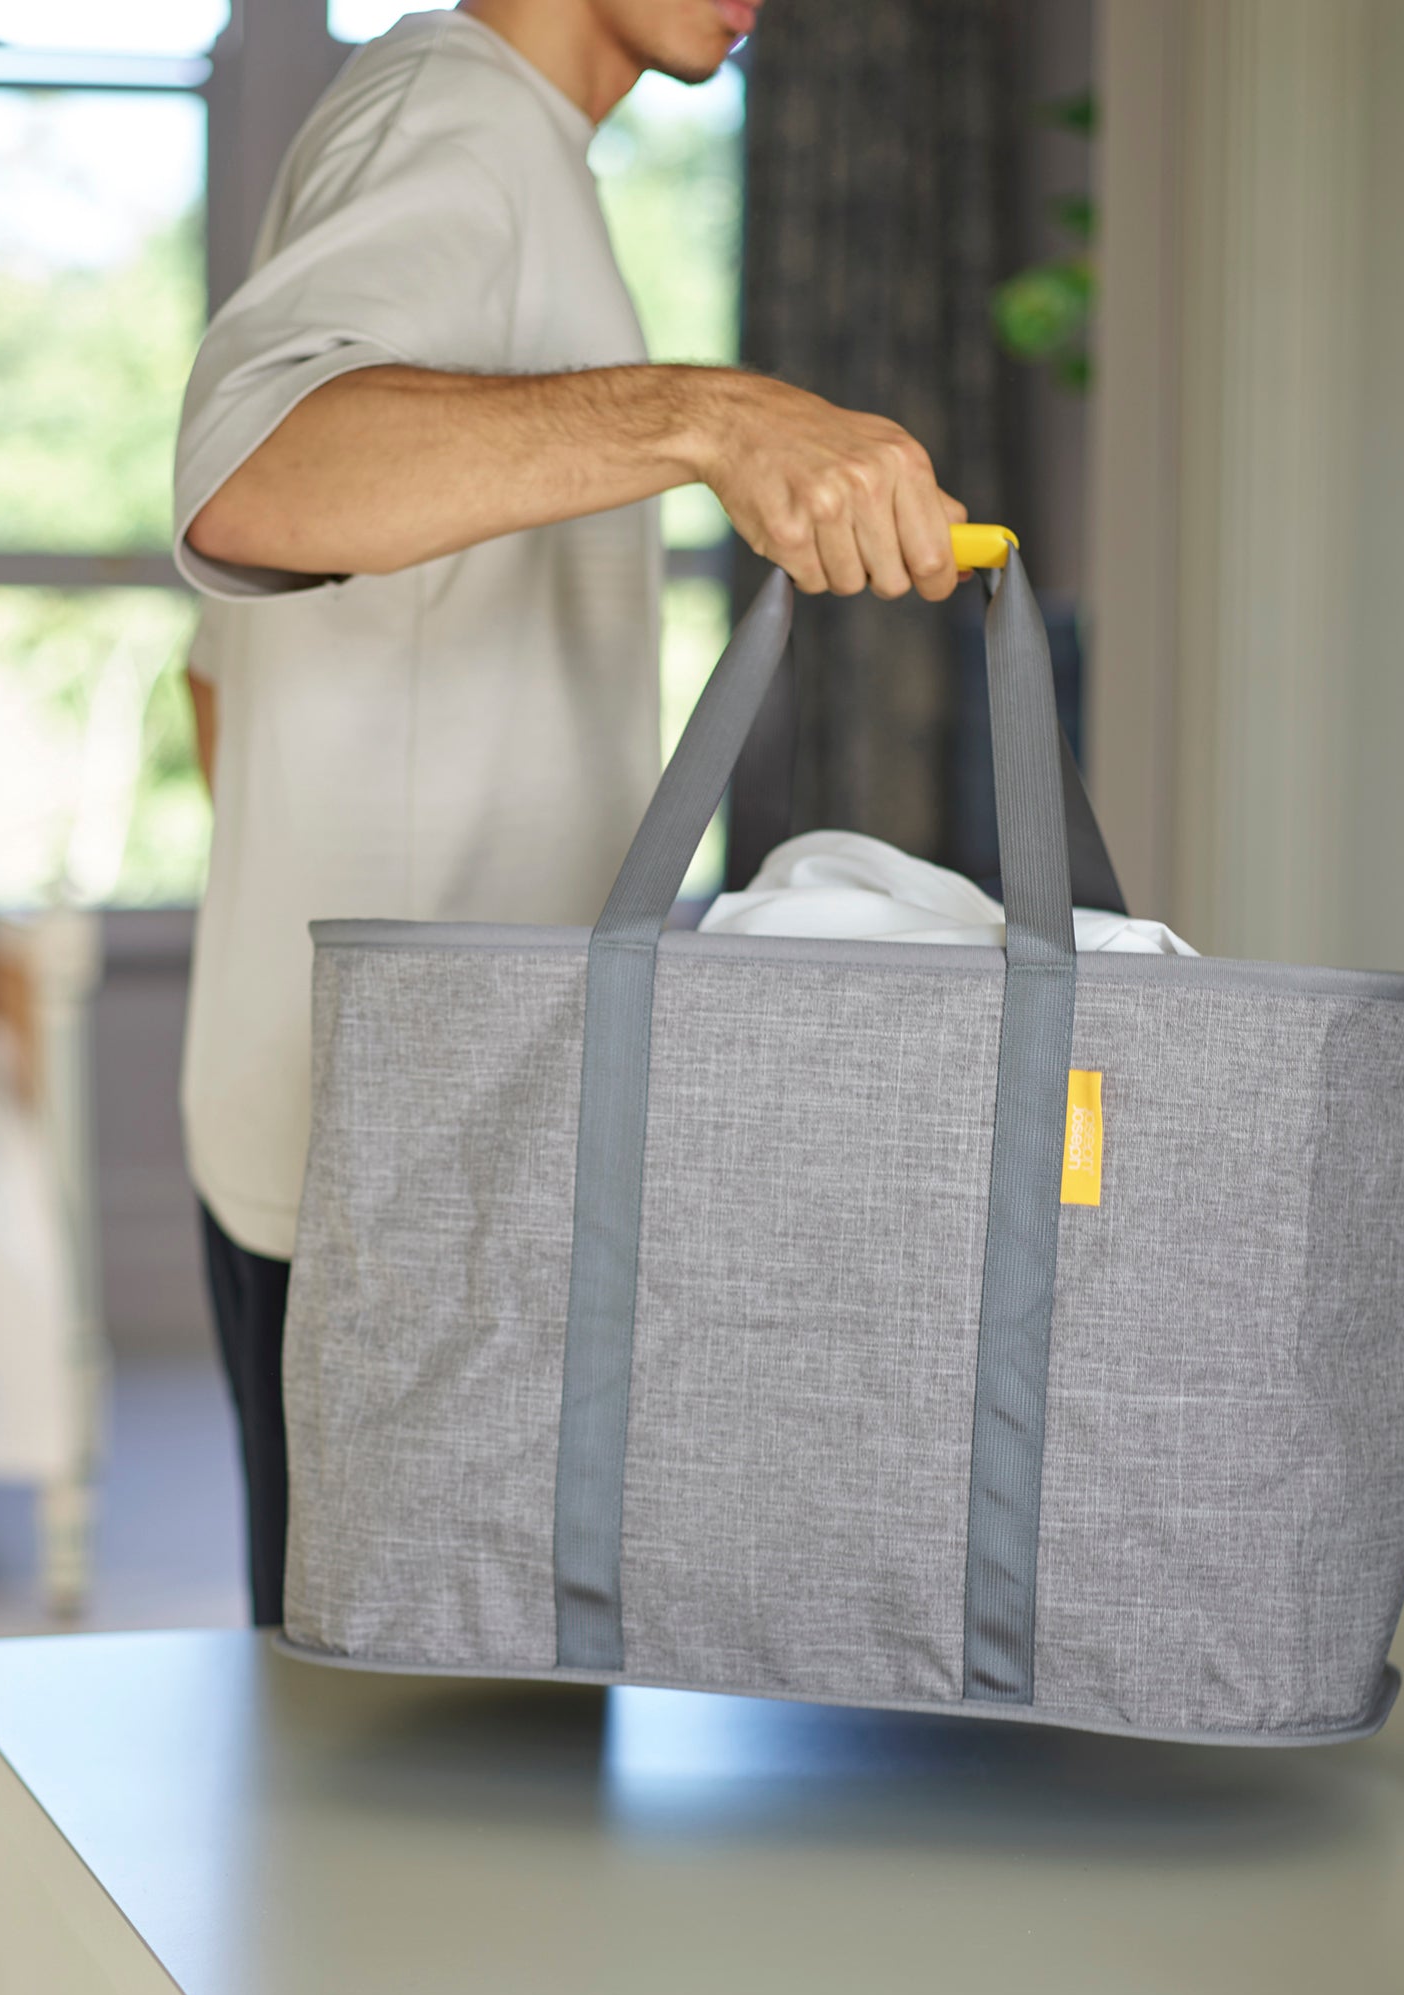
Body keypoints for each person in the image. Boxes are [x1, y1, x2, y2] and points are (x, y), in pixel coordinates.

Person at [173, 0, 969, 1625]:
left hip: (427, 1149)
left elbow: (219, 680)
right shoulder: (446, 119)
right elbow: (253, 479)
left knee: (429, 1792)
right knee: (428, 1813)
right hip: (402, 1177)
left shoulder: (505, 149)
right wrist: (713, 415)